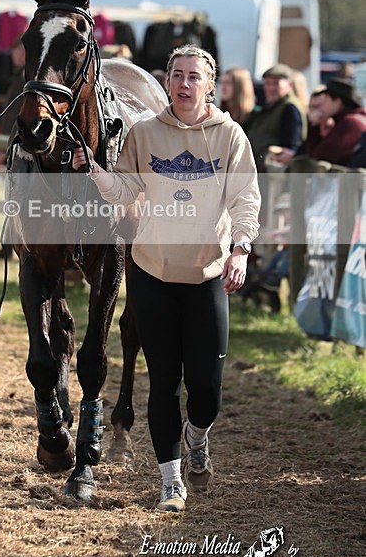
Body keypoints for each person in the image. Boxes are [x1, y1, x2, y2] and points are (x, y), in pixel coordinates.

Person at [72, 44, 260, 512]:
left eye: (193, 76)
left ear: (209, 85)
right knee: (162, 383)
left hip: (207, 274)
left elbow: (245, 199)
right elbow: (126, 190)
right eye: (176, 75)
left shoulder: (230, 136)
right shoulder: (145, 133)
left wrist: (239, 250)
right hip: (152, 272)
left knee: (207, 390)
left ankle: (197, 437)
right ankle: (170, 482)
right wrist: (94, 171)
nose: (182, 84)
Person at [245, 63, 307, 172]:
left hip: (275, 174)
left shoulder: (290, 108)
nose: (271, 88)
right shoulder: (273, 105)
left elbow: (290, 149)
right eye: (267, 83)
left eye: (276, 83)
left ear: (289, 84)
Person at [306, 78, 366, 167]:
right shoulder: (352, 119)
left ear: (338, 101)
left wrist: (314, 127)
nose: (322, 104)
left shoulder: (350, 123)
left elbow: (320, 156)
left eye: (326, 98)